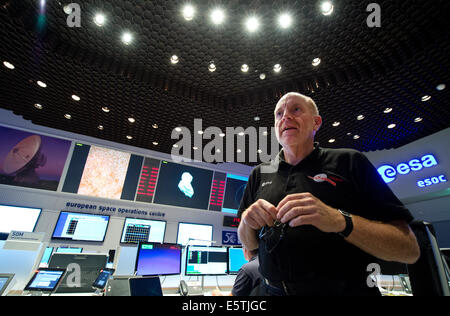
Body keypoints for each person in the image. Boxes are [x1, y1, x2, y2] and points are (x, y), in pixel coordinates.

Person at [237, 92, 420, 296]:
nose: (286, 117)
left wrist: (340, 221)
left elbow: (409, 249)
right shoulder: (259, 174)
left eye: (296, 109)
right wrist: (246, 221)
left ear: (316, 123)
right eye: (279, 114)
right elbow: (249, 247)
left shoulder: (350, 162)